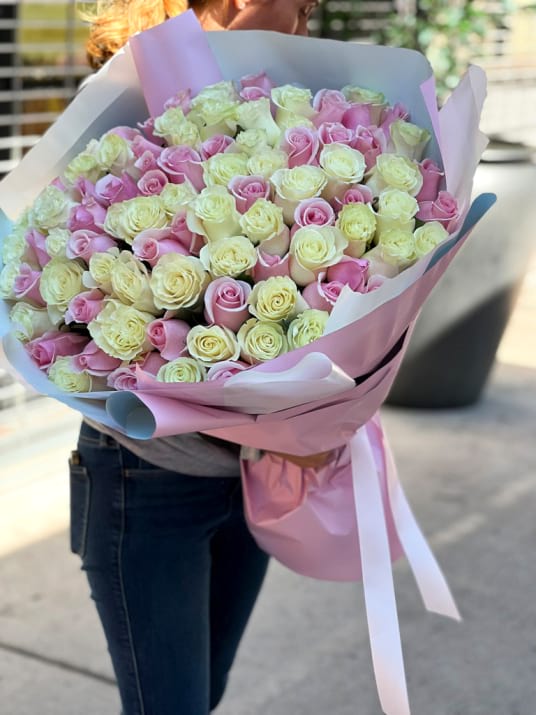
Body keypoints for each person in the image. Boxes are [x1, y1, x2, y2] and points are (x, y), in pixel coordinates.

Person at [71, 2, 322, 714]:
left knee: (201, 693)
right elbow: (88, 295)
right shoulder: (126, 97)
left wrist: (314, 421)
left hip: (250, 473)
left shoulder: (291, 101)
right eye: (295, 8)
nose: (303, 22)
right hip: (146, 477)